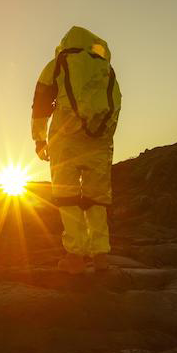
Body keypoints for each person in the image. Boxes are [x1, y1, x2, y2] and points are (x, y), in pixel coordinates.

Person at [31, 26, 121, 275]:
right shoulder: (106, 70)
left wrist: (39, 139)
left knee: (67, 197)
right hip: (99, 141)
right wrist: (104, 138)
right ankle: (101, 254)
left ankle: (75, 256)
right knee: (96, 198)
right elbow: (115, 107)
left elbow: (40, 104)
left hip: (65, 136)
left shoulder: (57, 64)